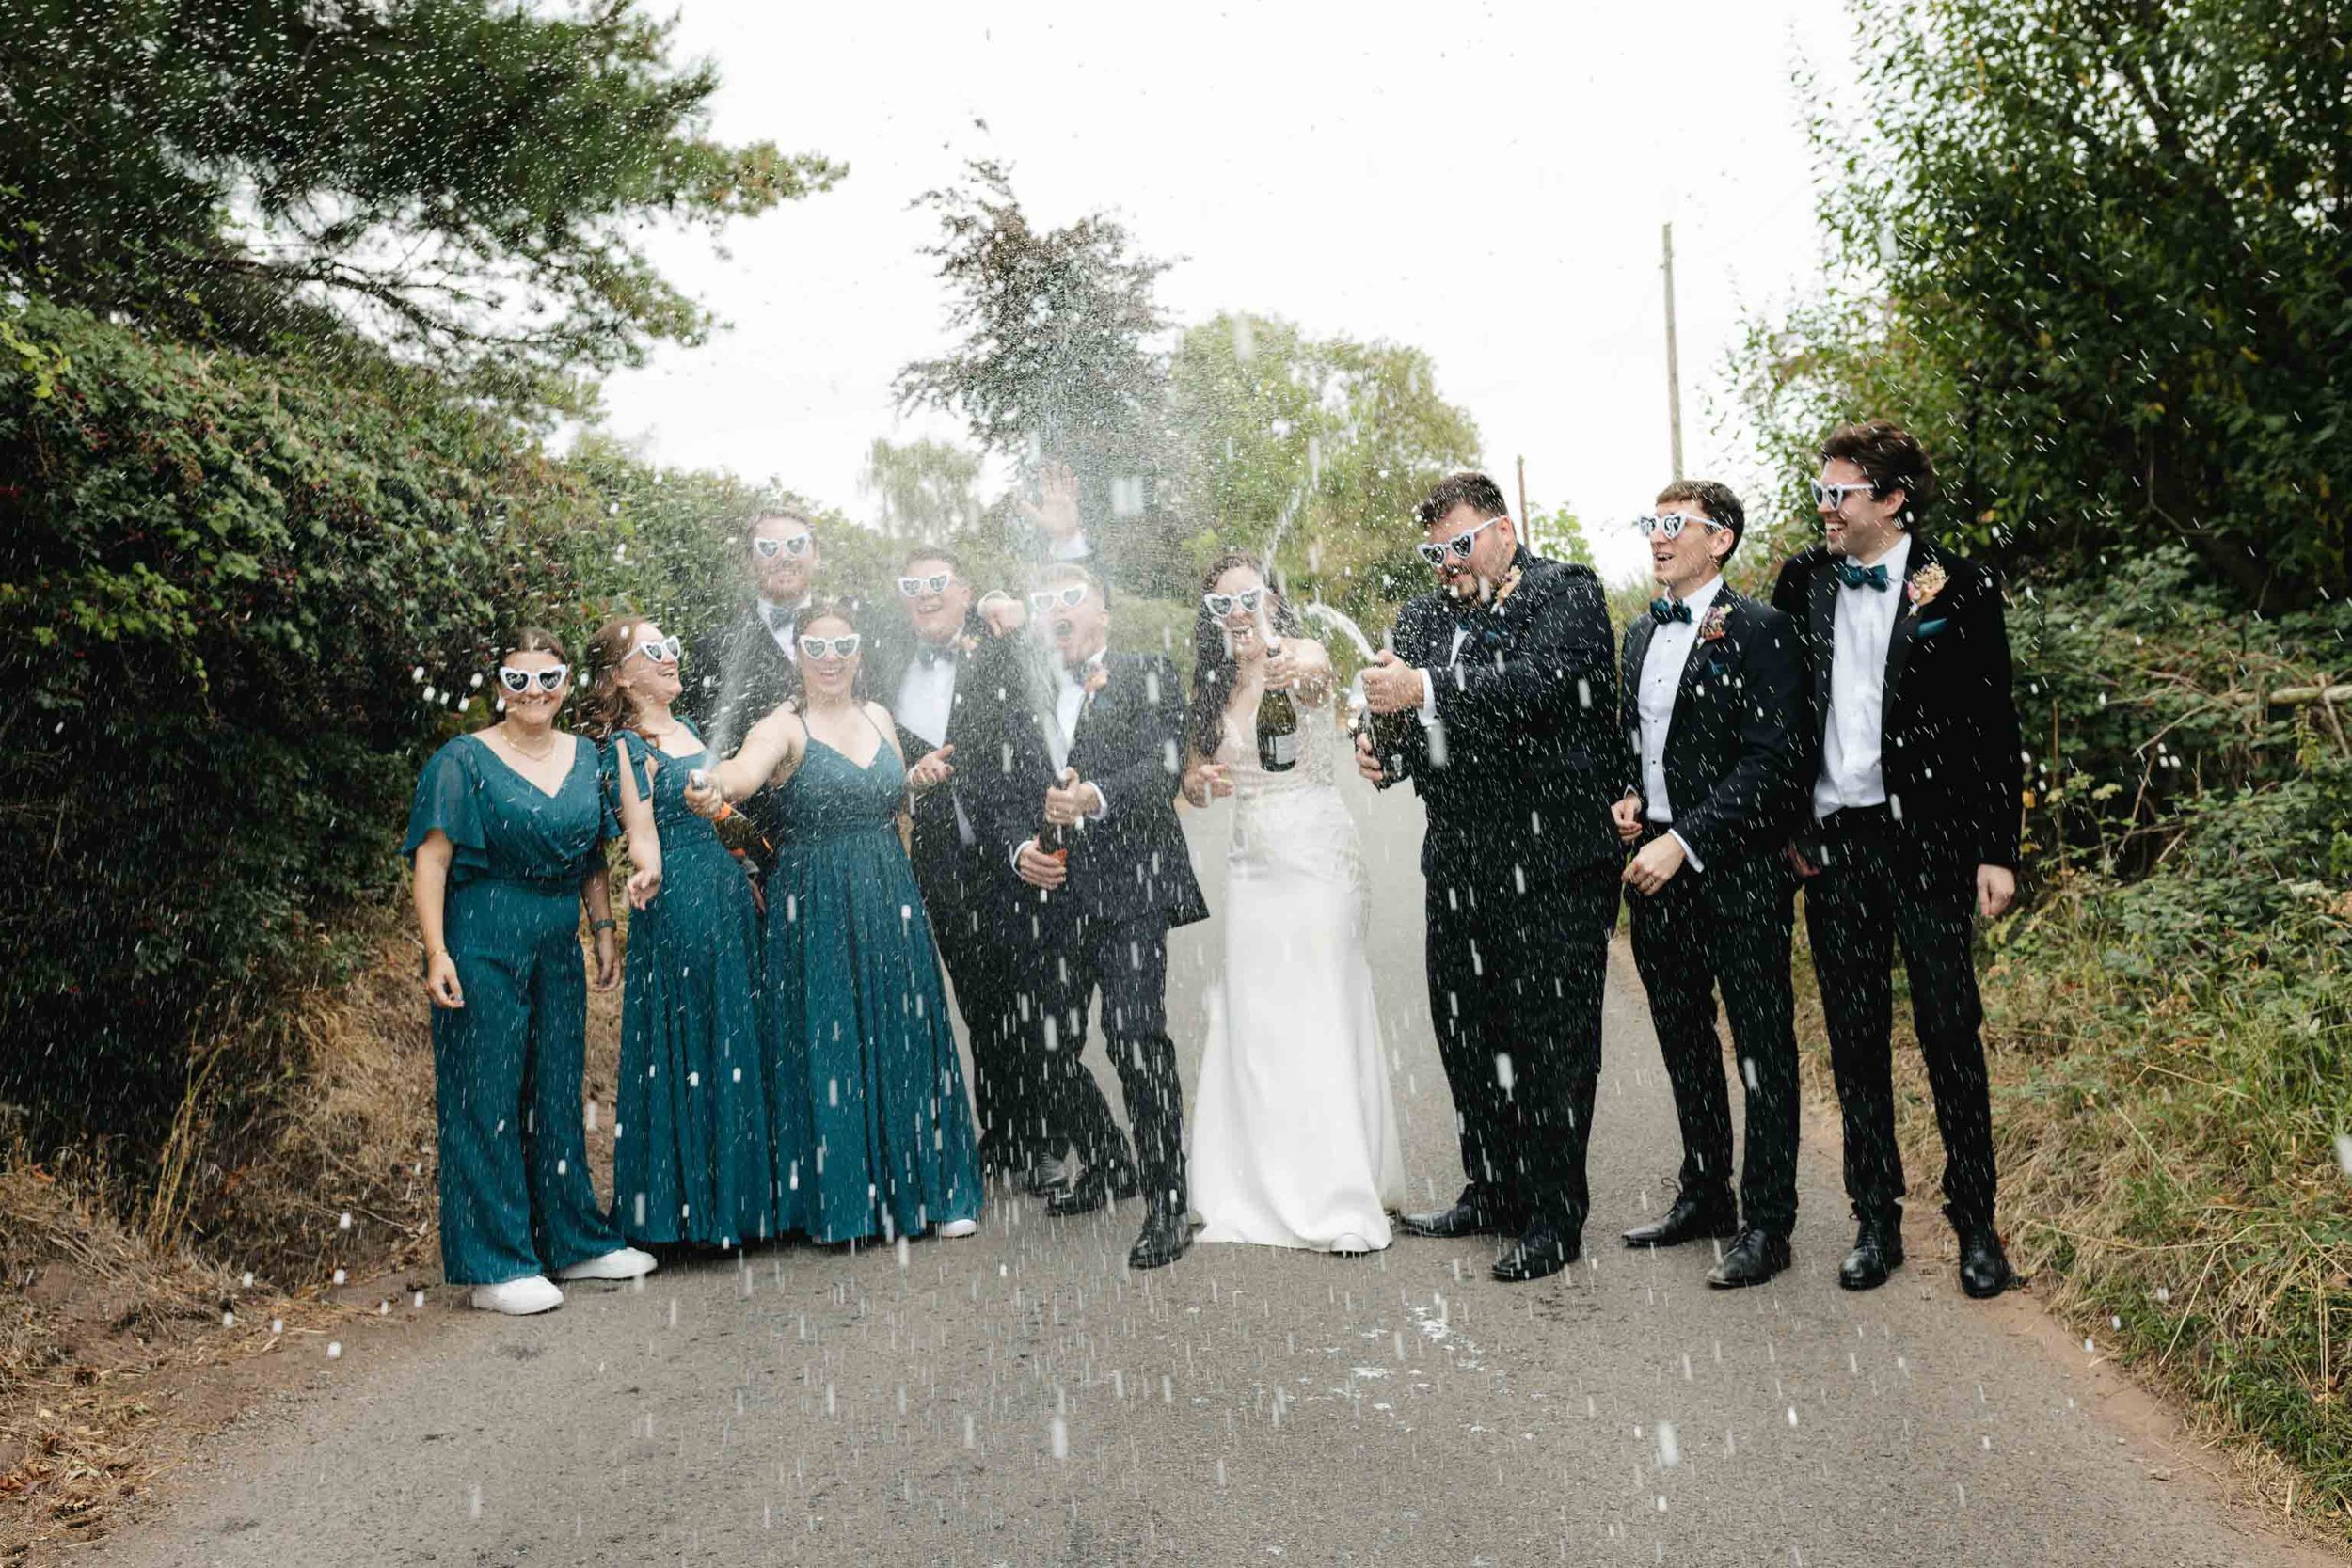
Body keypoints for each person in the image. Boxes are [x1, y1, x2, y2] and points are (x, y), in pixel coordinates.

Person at [1357, 471, 1629, 1283]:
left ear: (1504, 530)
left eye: (1460, 543)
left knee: (1550, 1039)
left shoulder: (1565, 592)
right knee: (1468, 1030)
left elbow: (1541, 688)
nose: (1447, 562)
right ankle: (1493, 1186)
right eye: (1434, 551)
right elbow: (1413, 725)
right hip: (1458, 860)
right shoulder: (1422, 616)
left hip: (1554, 860)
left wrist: (1427, 687)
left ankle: (1554, 1215)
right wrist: (1381, 749)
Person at [1771, 419, 2021, 1299]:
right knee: (1855, 1038)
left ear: (1893, 498)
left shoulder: (1962, 582)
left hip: (1931, 844)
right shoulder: (1802, 579)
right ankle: (1875, 1219)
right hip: (1836, 845)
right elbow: (1783, 712)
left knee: (1951, 1032)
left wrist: (1997, 850)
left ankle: (1976, 1226)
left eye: (1839, 493)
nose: (1825, 508)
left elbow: (1995, 724)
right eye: (1821, 492)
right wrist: (1790, 829)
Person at [689, 601, 982, 1246]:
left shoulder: (878, 716)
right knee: (829, 1036)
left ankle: (930, 1190)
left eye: (842, 646)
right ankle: (843, 1198)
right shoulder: (781, 727)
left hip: (888, 892)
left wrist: (914, 779)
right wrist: (715, 784)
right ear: (799, 656)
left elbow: (889, 797)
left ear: (858, 651)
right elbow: (743, 772)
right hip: (815, 902)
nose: (830, 659)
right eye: (816, 648)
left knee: (904, 1032)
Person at [404, 628, 661, 1314]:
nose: (534, 692)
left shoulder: (586, 756)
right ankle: (495, 1261)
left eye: (548, 679)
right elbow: (431, 859)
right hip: (482, 935)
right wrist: (437, 951)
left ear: (566, 684)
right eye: (518, 680)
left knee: (556, 1090)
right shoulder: (462, 760)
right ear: (499, 686)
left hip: (557, 942)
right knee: (484, 1095)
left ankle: (571, 1240)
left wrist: (602, 929)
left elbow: (589, 855)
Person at [1612, 482, 1808, 1288]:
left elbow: (1773, 762)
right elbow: (1635, 741)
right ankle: (1705, 1192)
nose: (1656, 537)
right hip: (1654, 873)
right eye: (1651, 523)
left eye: (1673, 524)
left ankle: (1769, 1222)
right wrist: (1628, 797)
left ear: (1720, 538)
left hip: (1738, 871)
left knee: (1762, 1048)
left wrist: (1685, 839)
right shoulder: (1638, 633)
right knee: (1684, 1038)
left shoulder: (1762, 629)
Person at [1182, 554, 1406, 1255]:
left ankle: (1338, 1196)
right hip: (1250, 866)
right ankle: (1254, 1183)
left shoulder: (1302, 653)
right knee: (1259, 1018)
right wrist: (1200, 782)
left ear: (1272, 600)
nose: (1236, 613)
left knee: (1320, 1007)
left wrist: (1285, 665)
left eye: (1247, 597)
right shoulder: (1212, 682)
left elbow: (1314, 679)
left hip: (1317, 858)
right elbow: (1192, 781)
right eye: (1221, 605)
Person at [1009, 561, 1207, 1271]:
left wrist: (1093, 796)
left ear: (1104, 611)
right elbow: (1000, 785)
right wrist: (1019, 848)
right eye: (1044, 599)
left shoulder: (1145, 667)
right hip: (1053, 894)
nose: (1056, 609)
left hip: (1131, 887)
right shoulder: (1023, 688)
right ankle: (1107, 1158)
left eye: (1071, 596)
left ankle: (1168, 1201)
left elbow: (1166, 762)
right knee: (1043, 1042)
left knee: (1133, 1039)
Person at [866, 547, 1065, 1195]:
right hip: (940, 857)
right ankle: (1002, 1132)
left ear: (965, 590)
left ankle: (1048, 1137)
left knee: (1030, 994)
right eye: (913, 584)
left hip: (1014, 845)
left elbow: (1047, 680)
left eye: (938, 583)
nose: (925, 594)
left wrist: (999, 603)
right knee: (979, 1000)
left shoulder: (1000, 641)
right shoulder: (887, 660)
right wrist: (908, 779)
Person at [579, 616, 771, 1253]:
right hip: (681, 902)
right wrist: (648, 872)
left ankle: (738, 1205)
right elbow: (641, 835)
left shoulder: (689, 728)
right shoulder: (628, 747)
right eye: (653, 649)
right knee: (692, 1038)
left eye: (673, 646)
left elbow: (722, 815)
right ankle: (688, 1212)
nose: (670, 656)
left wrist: (747, 867)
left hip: (727, 895)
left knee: (734, 1032)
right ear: (619, 676)